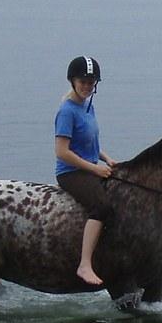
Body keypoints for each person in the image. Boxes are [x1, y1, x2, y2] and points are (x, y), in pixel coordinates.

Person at [55, 55, 117, 286]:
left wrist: (108, 159)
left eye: (91, 83)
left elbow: (90, 143)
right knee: (101, 206)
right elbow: (62, 151)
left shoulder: (88, 107)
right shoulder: (67, 111)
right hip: (71, 173)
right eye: (83, 82)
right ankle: (84, 264)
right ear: (73, 81)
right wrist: (95, 169)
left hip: (90, 168)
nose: (87, 87)